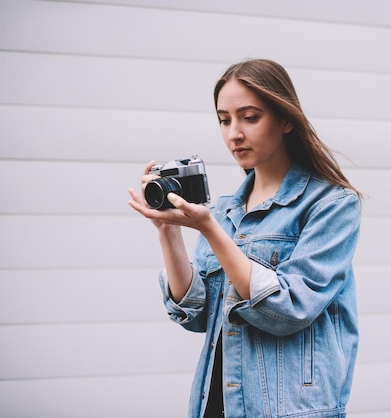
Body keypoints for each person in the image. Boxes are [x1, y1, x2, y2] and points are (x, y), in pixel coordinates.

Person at [128, 59, 362, 418]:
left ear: (286, 120)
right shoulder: (223, 211)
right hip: (216, 405)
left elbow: (290, 308)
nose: (234, 133)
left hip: (290, 410)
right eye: (224, 119)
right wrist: (168, 231)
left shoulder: (331, 205)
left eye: (249, 117)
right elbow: (197, 315)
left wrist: (209, 229)